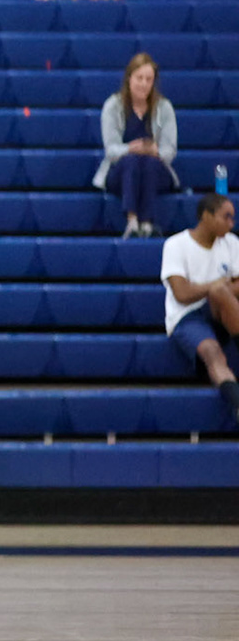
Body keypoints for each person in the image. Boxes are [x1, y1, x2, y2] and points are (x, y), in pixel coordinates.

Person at [161, 195, 239, 427]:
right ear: (206, 216)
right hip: (187, 317)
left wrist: (216, 288)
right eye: (226, 217)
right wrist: (216, 284)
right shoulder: (176, 244)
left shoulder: (232, 243)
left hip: (222, 312)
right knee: (212, 351)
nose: (231, 224)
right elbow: (182, 294)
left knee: (219, 294)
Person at [94, 54, 177, 239]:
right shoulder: (113, 106)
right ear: (129, 78)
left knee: (149, 163)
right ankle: (132, 222)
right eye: (139, 78)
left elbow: (170, 150)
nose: (144, 84)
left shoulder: (164, 108)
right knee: (132, 161)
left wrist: (155, 151)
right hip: (121, 170)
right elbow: (111, 150)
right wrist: (131, 148)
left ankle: (147, 224)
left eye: (149, 79)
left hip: (155, 168)